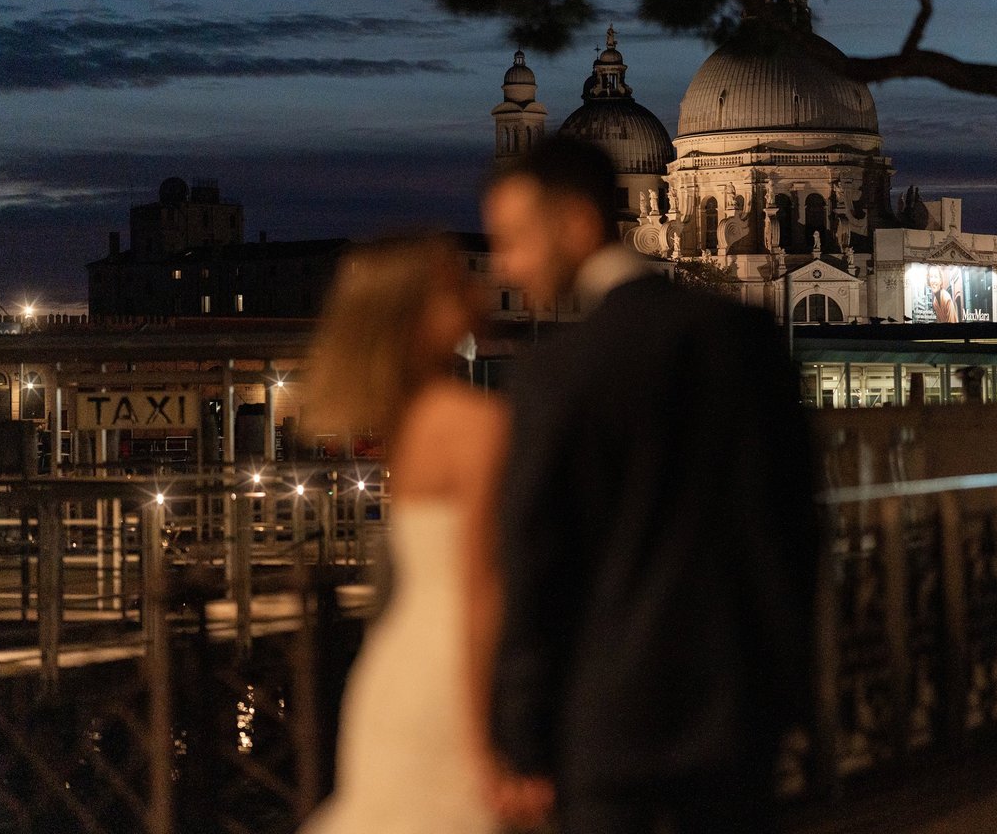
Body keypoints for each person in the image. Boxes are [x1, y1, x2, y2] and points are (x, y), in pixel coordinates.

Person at [482, 136, 819, 834]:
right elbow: (793, 532)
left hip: (604, 724)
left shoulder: (555, 374)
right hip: (737, 710)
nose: (507, 265)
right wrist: (794, 695)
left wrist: (523, 742)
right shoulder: (746, 337)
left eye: (516, 240)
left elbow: (536, 571)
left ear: (578, 223)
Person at [298, 235, 519, 834]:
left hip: (396, 668)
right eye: (456, 285)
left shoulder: (407, 423)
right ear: (415, 314)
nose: (479, 290)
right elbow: (483, 586)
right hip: (456, 679)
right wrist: (489, 741)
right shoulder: (475, 424)